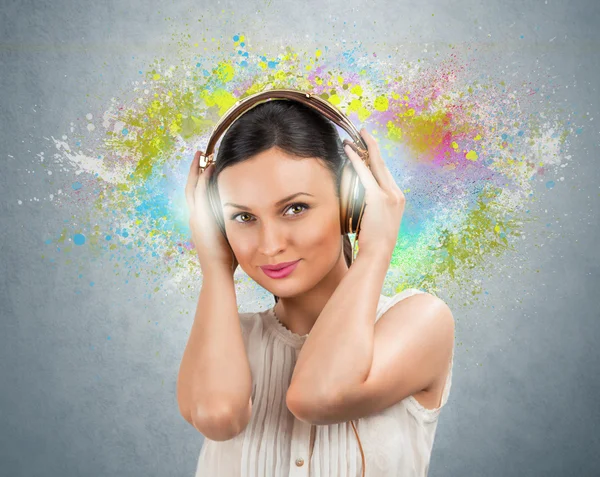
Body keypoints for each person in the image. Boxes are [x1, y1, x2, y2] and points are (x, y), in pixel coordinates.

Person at [178, 99, 455, 477]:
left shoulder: (420, 322)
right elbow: (218, 416)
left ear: (350, 205)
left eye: (295, 208)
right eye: (243, 217)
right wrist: (214, 265)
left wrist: (375, 249)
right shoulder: (226, 338)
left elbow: (319, 396)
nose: (270, 244)